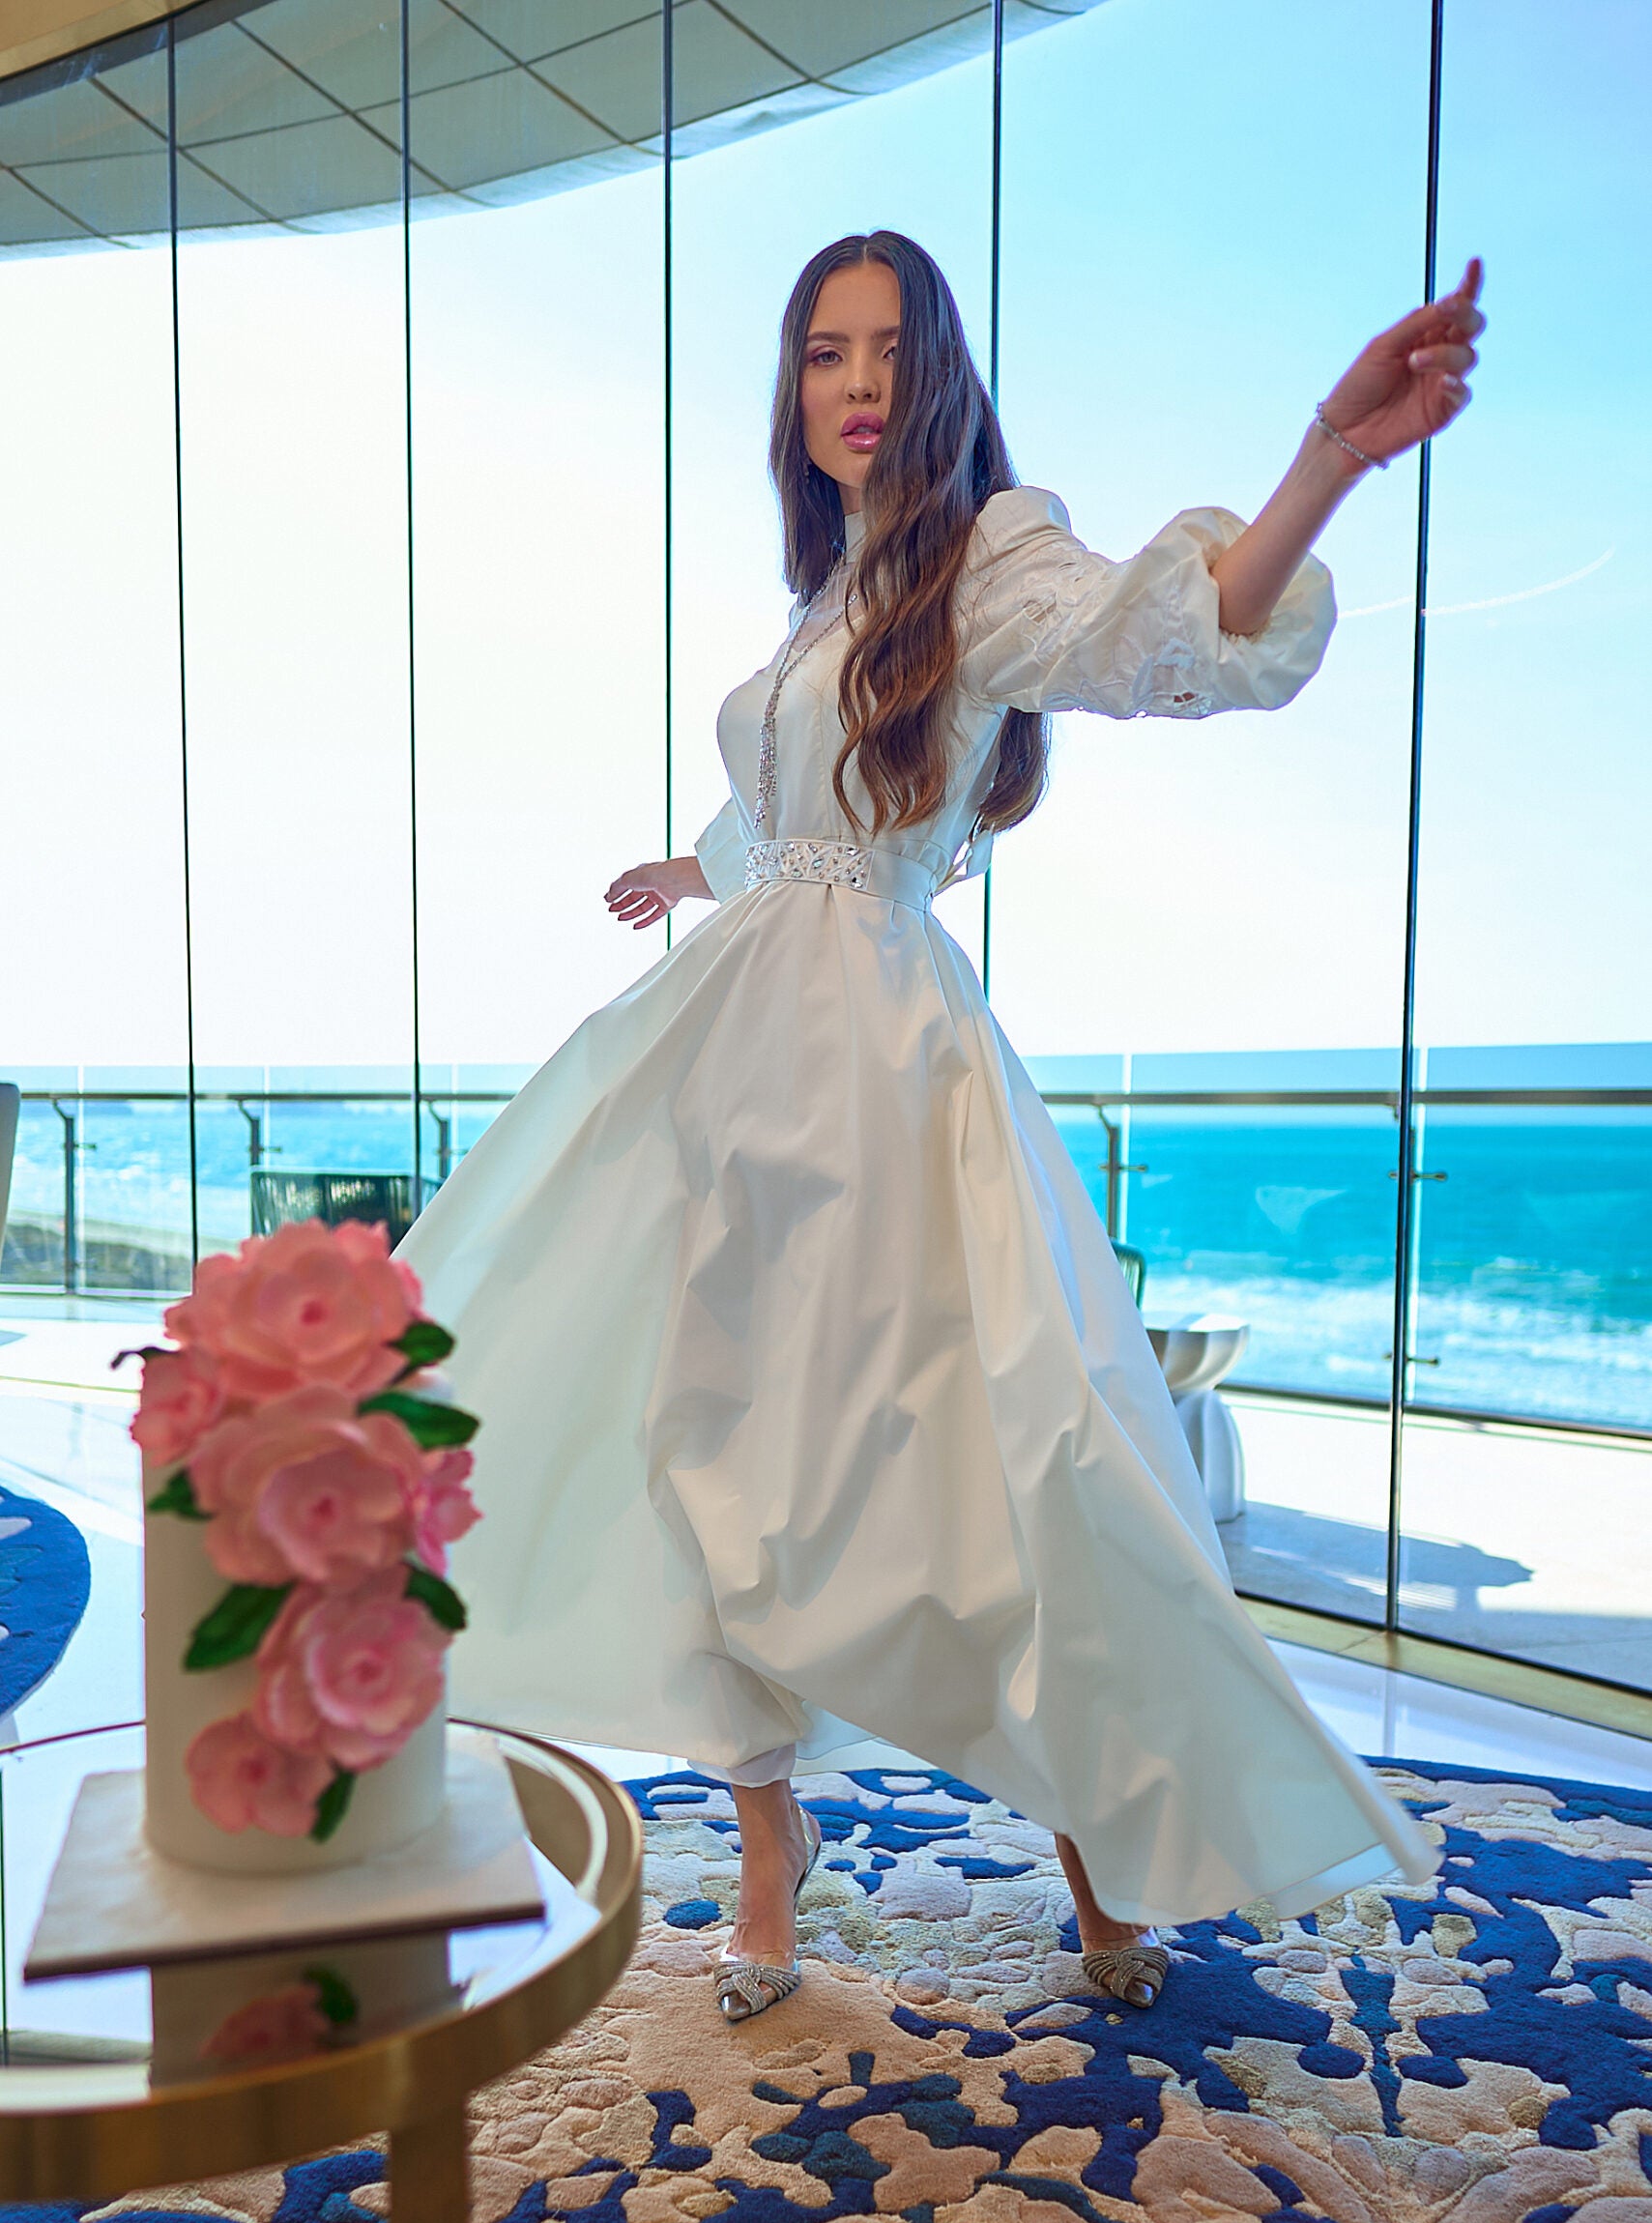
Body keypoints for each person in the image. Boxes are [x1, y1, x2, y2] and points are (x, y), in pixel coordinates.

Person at [396, 229, 1484, 2022]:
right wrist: (699, 867)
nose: (855, 382)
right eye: (823, 350)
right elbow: (798, 804)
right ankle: (769, 1853)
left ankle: (1100, 1847)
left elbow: (1158, 636)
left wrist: (1327, 457)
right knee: (699, 1446)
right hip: (730, 1056)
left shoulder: (989, 551)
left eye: (888, 349)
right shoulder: (827, 595)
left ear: (940, 376)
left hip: (881, 1068)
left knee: (998, 1461)